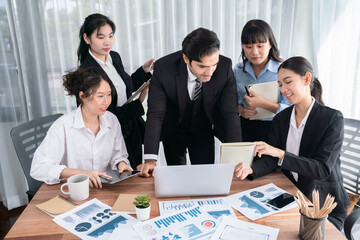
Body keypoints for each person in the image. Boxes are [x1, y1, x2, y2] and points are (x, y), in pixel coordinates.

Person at [234, 56, 350, 230]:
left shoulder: (332, 118)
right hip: (291, 194)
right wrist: (251, 169)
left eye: (288, 82)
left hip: (322, 204)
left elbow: (322, 169)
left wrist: (280, 153)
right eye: (280, 84)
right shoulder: (281, 118)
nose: (283, 89)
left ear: (307, 79)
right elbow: (272, 159)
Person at [138, 27, 241, 177]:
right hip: (173, 130)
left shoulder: (225, 67)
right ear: (186, 59)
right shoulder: (164, 68)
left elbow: (229, 112)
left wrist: (236, 156)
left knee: (205, 177)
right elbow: (155, 114)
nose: (210, 72)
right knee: (177, 178)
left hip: (203, 130)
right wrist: (150, 160)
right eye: (202, 66)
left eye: (214, 64)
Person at [30, 67, 132, 188]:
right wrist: (80, 173)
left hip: (106, 188)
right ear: (83, 96)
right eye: (100, 96)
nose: (106, 101)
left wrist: (121, 164)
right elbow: (38, 168)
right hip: (75, 189)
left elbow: (118, 155)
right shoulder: (63, 125)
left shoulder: (112, 120)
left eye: (109, 95)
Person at [77, 13, 154, 170]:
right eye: (100, 37)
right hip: (111, 133)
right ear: (87, 38)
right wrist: (137, 104)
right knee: (122, 178)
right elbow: (103, 114)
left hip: (130, 127)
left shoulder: (113, 57)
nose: (107, 42)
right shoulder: (86, 72)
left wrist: (143, 72)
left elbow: (123, 88)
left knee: (136, 174)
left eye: (110, 36)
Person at [234, 19, 290, 142]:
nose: (254, 52)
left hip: (275, 128)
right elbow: (234, 100)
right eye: (248, 47)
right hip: (246, 128)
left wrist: (262, 104)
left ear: (270, 44)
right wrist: (242, 110)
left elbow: (291, 108)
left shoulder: (284, 70)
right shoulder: (238, 70)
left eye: (260, 46)